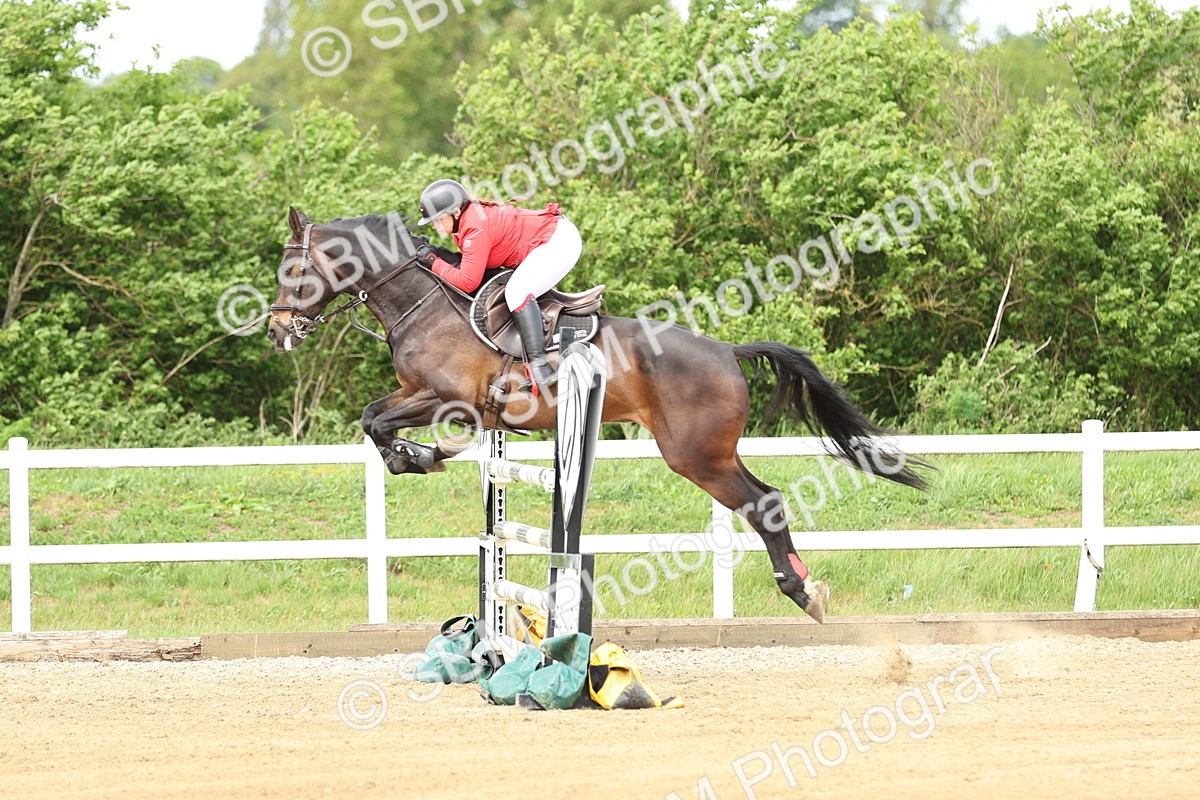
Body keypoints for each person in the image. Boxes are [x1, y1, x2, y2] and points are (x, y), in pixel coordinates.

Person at [413, 179, 582, 396]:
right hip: (551, 238)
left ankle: (540, 367)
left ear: (455, 212)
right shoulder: (467, 221)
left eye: (437, 219)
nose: (435, 225)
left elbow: (467, 282)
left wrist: (434, 263)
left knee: (517, 293)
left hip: (559, 243)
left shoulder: (474, 228)